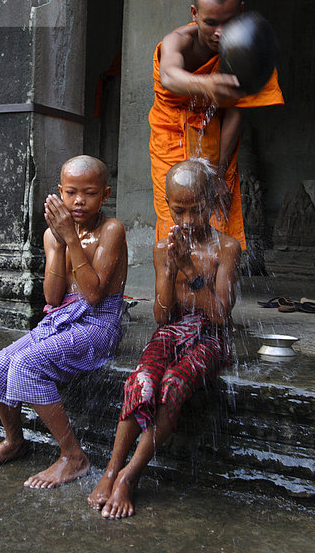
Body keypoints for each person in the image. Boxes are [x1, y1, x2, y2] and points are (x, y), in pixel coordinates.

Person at [88, 158, 241, 519]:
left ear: (212, 202)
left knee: (172, 384)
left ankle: (130, 476)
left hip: (212, 337)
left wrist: (190, 269)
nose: (187, 221)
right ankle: (111, 469)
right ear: (167, 205)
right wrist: (170, 271)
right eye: (178, 211)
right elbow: (161, 316)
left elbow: (220, 315)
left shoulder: (227, 249)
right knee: (142, 381)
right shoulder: (163, 248)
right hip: (173, 330)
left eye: (196, 210)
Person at [0, 155, 128, 488]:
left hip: (98, 325)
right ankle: (14, 441)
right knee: (0, 364)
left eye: (88, 193)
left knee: (25, 366)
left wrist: (71, 239)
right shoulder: (52, 236)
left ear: (105, 194)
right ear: (59, 192)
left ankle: (74, 457)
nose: (78, 201)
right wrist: (59, 245)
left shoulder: (111, 230)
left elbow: (92, 295)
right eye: (71, 192)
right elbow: (52, 299)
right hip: (60, 320)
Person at [149, 0, 284, 248]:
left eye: (229, 22)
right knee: (176, 218)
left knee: (216, 217)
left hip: (215, 138)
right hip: (171, 135)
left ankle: (213, 287)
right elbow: (169, 76)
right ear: (194, 14)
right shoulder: (179, 41)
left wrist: (219, 174)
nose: (219, 33)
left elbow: (235, 113)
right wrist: (206, 84)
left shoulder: (244, 53)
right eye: (210, 23)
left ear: (241, 12)